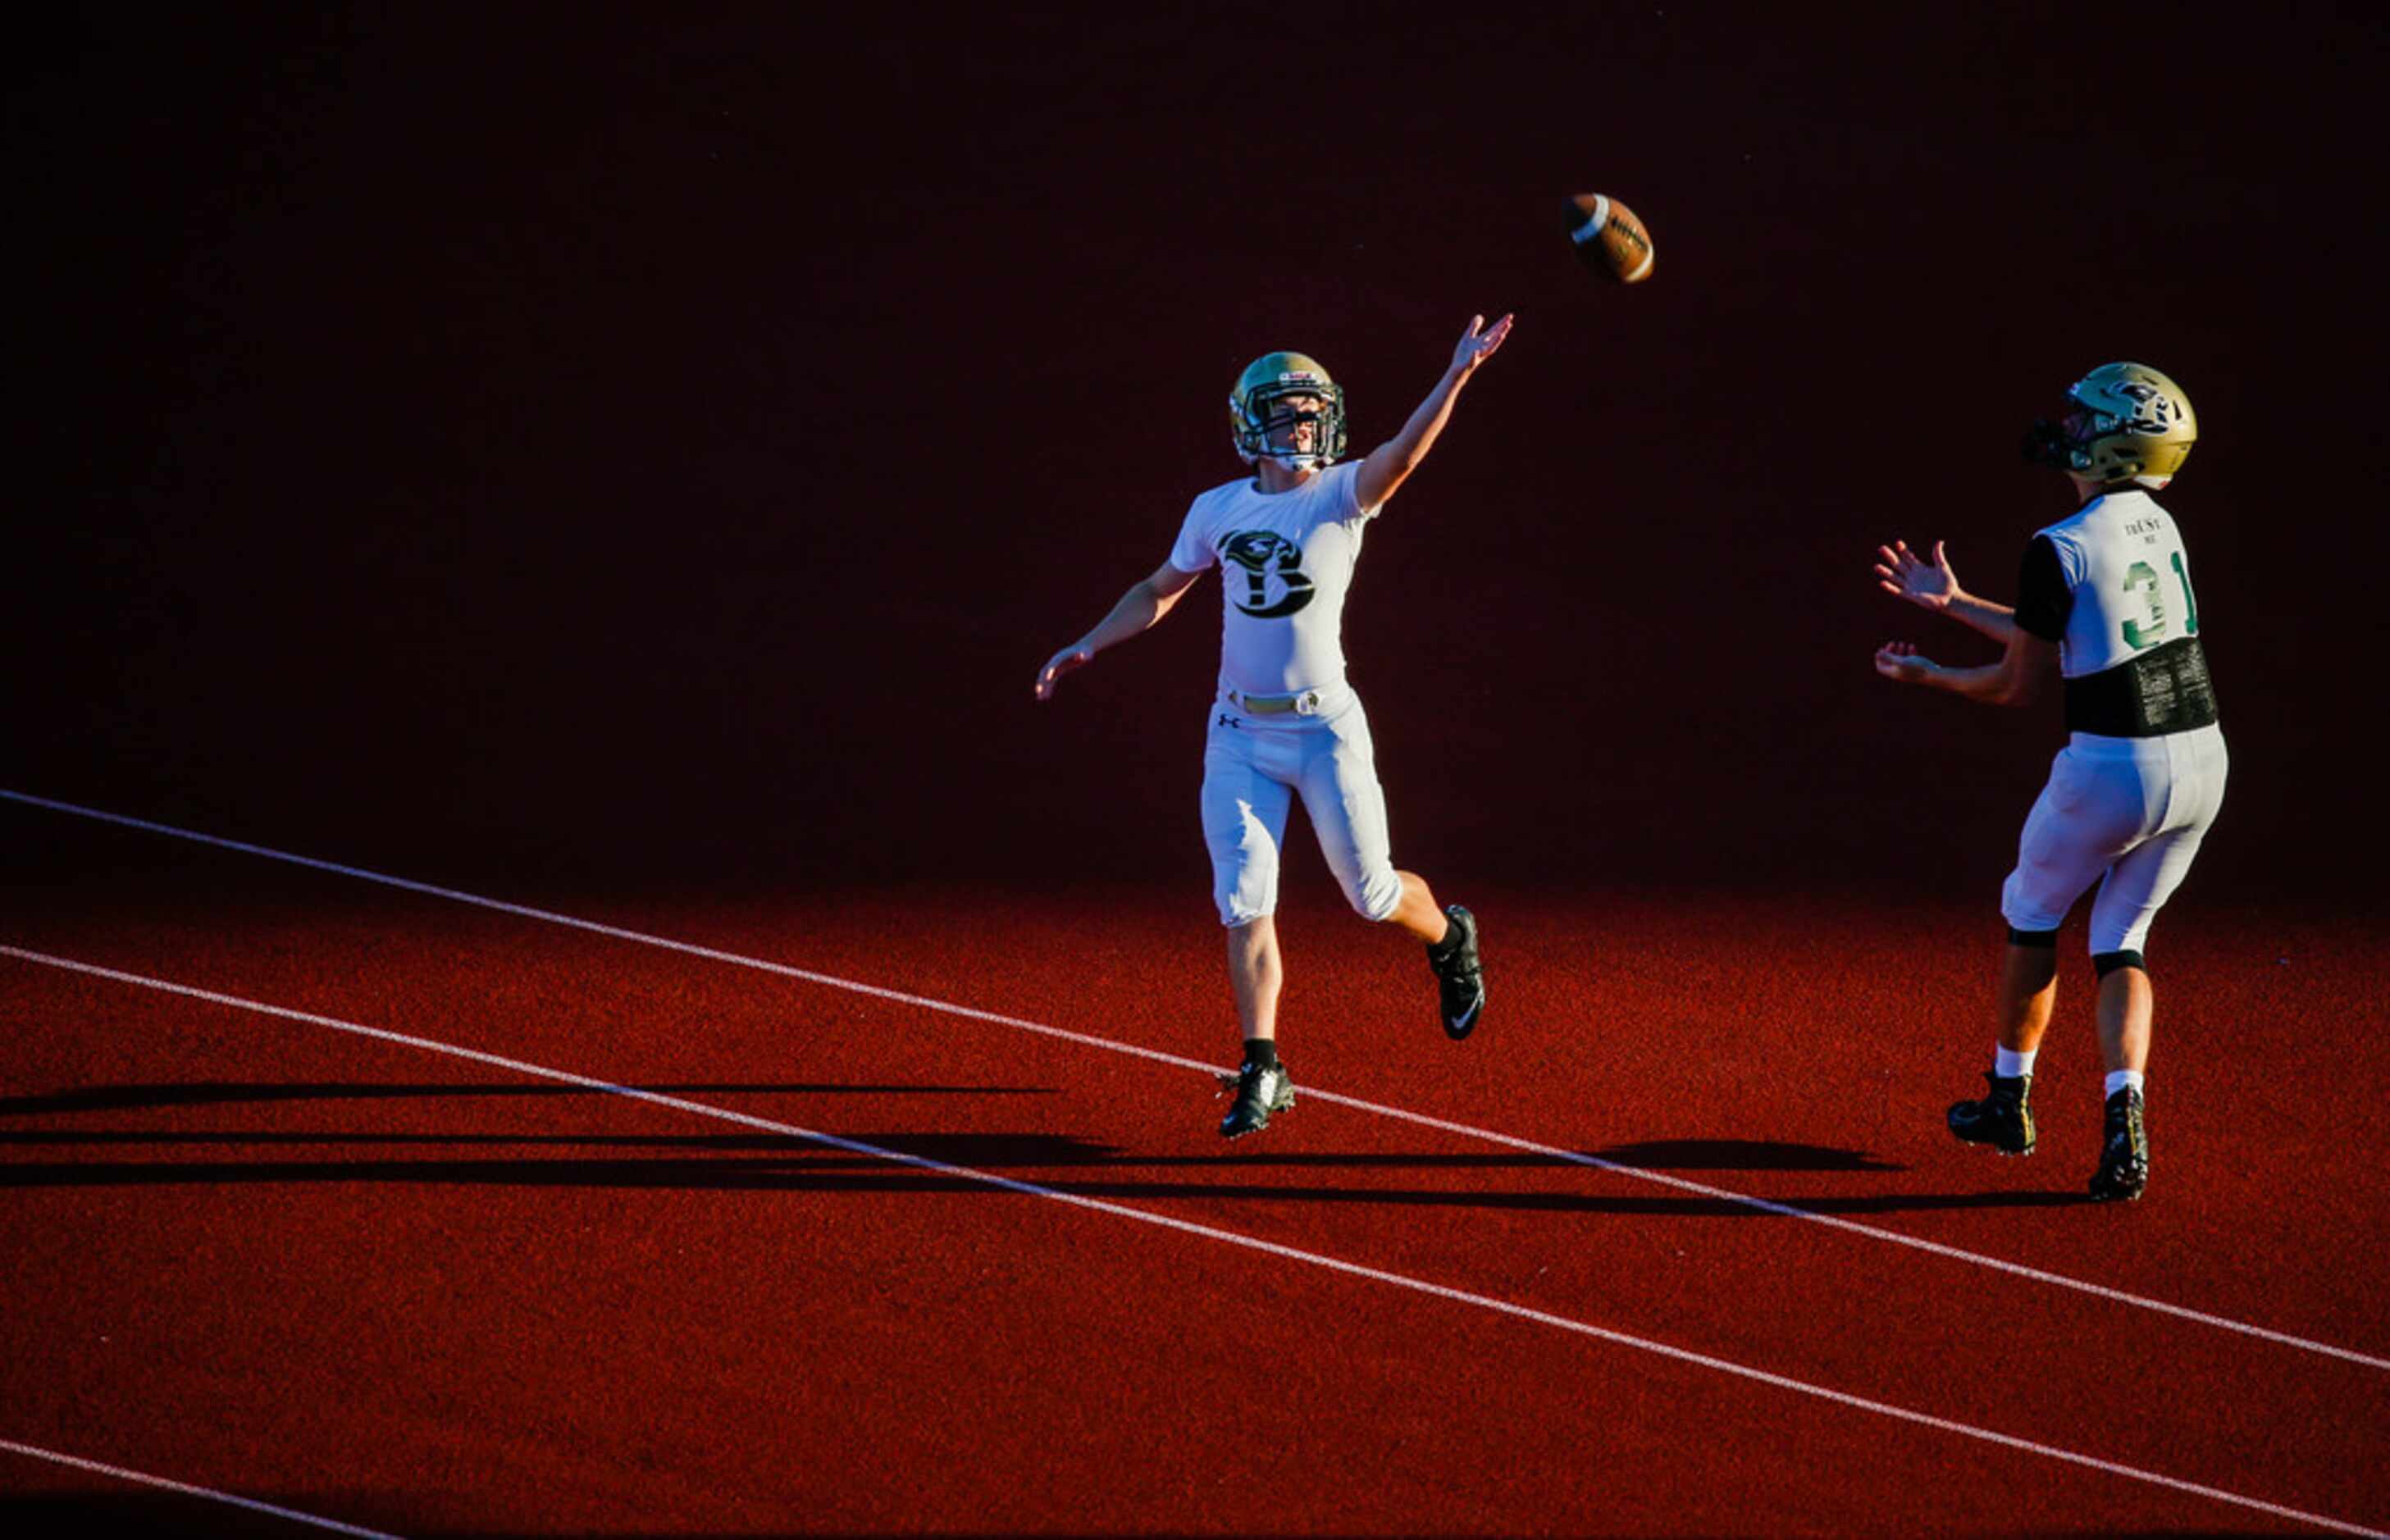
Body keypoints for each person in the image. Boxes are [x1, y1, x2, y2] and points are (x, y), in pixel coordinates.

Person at [1035, 315, 1512, 1138]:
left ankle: (1448, 933)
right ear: (1250, 424)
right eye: (1289, 412)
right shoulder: (1215, 509)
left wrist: (1457, 375)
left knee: (1370, 896)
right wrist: (1088, 641)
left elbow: (1404, 452)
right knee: (1243, 899)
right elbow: (1160, 588)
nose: (1303, 426)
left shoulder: (1340, 495)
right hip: (1237, 737)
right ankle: (1264, 1063)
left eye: (1310, 411)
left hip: (1324, 730)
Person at [1872, 362, 2226, 1201]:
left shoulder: (2057, 544)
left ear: (2113, 446)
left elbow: (2013, 684)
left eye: (2083, 422)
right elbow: (2070, 631)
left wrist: (1929, 675)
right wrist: (1954, 603)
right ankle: (2123, 1119)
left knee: (2031, 913)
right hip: (2202, 762)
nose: (2067, 431)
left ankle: (2007, 1100)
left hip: (2112, 766)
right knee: (2121, 940)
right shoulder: (2158, 524)